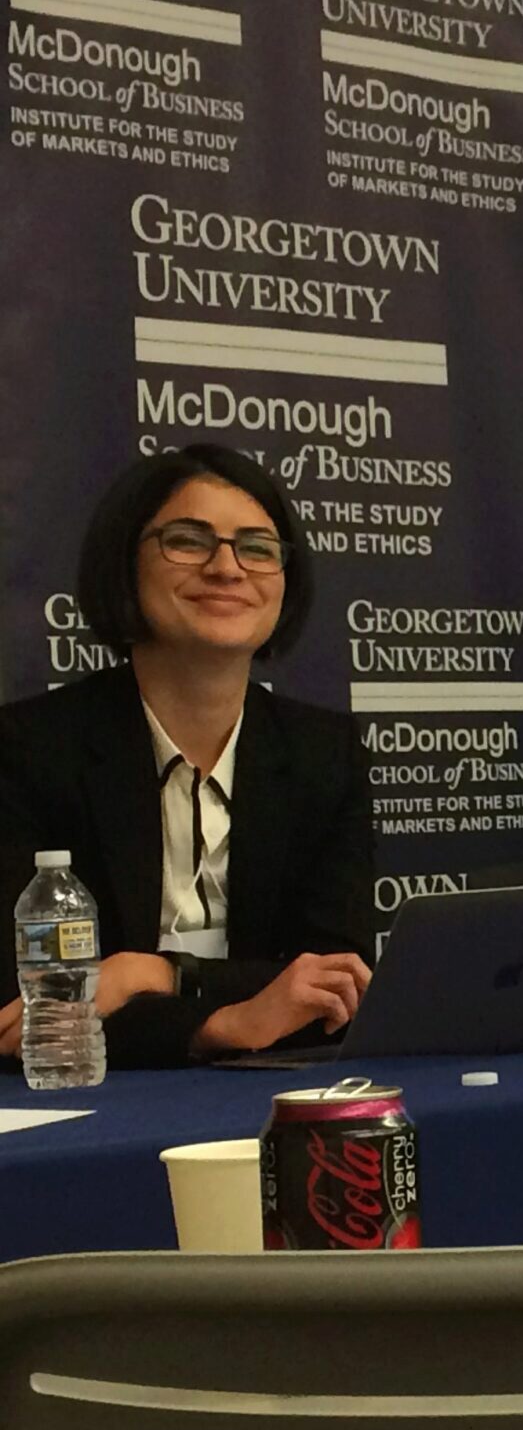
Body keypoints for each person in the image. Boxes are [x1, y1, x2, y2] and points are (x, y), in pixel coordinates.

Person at [0, 445, 374, 1068]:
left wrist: (155, 975)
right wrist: (221, 1023)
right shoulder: (27, 750)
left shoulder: (323, 753)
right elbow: (27, 1014)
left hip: (273, 1088)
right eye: (188, 540)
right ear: (125, 564)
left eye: (256, 547)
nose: (227, 568)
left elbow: (333, 984)